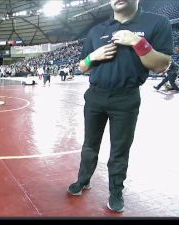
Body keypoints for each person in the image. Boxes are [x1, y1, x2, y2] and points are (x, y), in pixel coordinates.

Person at [67, 0, 172, 213]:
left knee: (119, 151)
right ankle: (83, 180)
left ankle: (116, 190)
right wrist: (92, 57)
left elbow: (162, 64)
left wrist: (137, 42)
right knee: (89, 145)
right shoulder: (97, 31)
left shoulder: (157, 23)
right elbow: (82, 67)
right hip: (95, 96)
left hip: (126, 97)